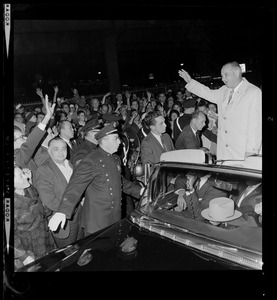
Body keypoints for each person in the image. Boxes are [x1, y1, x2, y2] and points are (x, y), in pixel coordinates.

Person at [48, 124, 144, 236]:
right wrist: (62, 211)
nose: (119, 142)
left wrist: (140, 191)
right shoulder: (91, 160)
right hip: (96, 221)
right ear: (104, 141)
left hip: (114, 216)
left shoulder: (115, 158)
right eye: (115, 139)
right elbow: (75, 186)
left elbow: (121, 181)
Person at [178, 61, 262, 161]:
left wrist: (251, 153)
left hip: (243, 153)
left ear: (237, 73)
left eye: (226, 75)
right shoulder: (223, 90)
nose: (223, 79)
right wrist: (190, 81)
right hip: (224, 153)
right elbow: (207, 92)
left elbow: (255, 125)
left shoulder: (253, 92)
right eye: (222, 76)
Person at [35, 137, 84, 248]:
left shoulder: (70, 164)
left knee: (81, 247)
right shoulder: (44, 170)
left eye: (64, 148)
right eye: (56, 149)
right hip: (62, 221)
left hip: (80, 215)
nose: (61, 152)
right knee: (68, 254)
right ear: (49, 151)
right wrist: (69, 208)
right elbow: (48, 200)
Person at [14, 165, 56, 270]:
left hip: (46, 242)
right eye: (21, 175)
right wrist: (23, 257)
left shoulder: (30, 189)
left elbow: (42, 210)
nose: (25, 176)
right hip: (29, 250)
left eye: (23, 173)